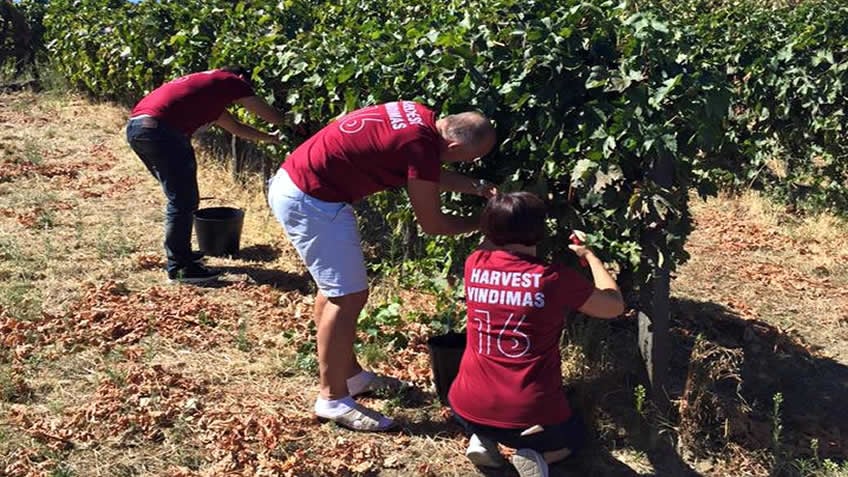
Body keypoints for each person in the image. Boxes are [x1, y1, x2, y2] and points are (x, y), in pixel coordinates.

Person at [267, 101, 497, 431]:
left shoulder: (417, 115)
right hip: (314, 200)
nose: (469, 164)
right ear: (456, 146)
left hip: (299, 183)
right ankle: (332, 399)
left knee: (336, 290)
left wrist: (475, 187)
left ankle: (350, 375)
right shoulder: (420, 148)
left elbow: (427, 170)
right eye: (469, 160)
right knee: (346, 297)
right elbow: (432, 223)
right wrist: (483, 222)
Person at [448, 192, 625, 477]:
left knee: (484, 416)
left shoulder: (474, 264)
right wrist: (590, 256)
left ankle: (483, 439)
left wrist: (498, 210)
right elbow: (613, 306)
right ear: (540, 232)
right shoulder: (552, 278)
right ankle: (536, 454)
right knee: (578, 434)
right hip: (524, 417)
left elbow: (490, 241)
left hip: (464, 406)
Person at [126, 67, 286, 283]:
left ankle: (181, 254)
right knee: (182, 200)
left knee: (182, 198)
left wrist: (271, 138)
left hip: (138, 129)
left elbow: (236, 128)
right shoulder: (230, 79)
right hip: (161, 130)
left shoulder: (209, 91)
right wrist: (291, 122)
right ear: (241, 78)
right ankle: (181, 268)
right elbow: (270, 115)